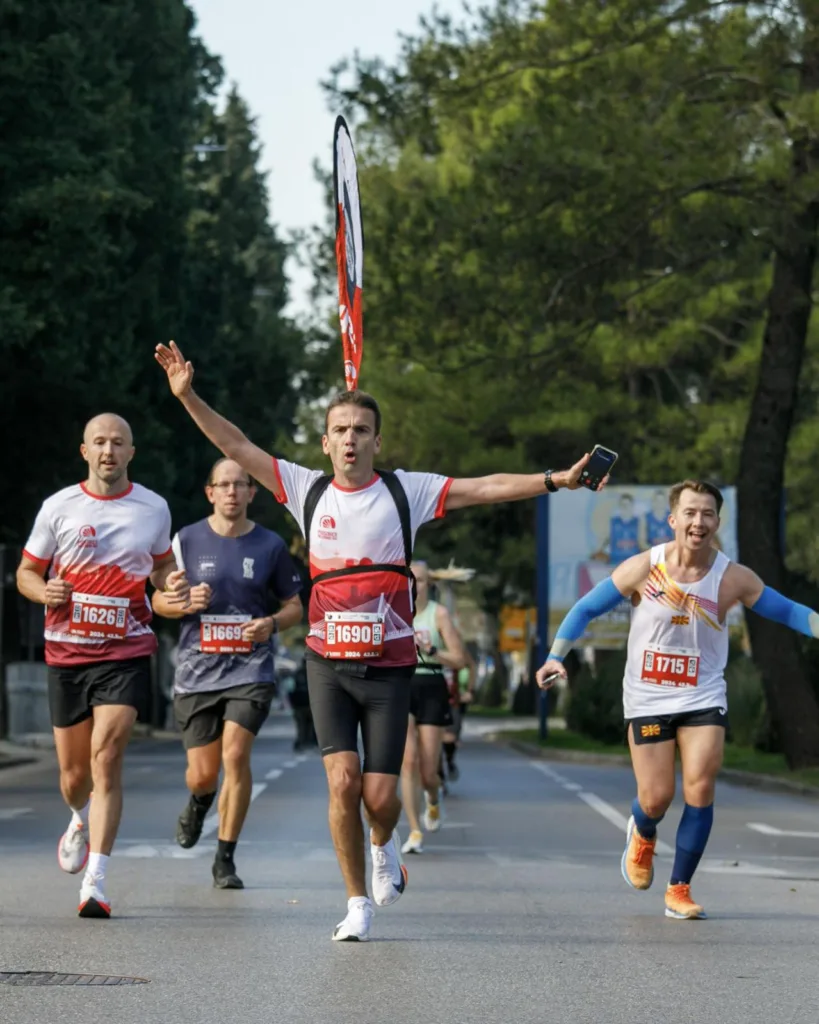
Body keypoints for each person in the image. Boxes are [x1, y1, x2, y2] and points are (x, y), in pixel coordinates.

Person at [155, 339, 603, 941]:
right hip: (328, 665)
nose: (350, 439)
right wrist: (188, 397)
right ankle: (356, 902)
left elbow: (485, 486)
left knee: (381, 795)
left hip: (392, 669)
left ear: (376, 441)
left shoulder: (405, 493)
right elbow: (236, 446)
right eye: (339, 429)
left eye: (361, 430)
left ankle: (384, 843)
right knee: (342, 782)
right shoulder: (304, 490)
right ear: (325, 442)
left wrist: (556, 480)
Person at [536, 478, 819, 920]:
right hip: (647, 698)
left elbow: (787, 610)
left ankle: (679, 889)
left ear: (717, 522)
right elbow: (585, 608)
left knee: (700, 786)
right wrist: (555, 656)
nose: (698, 522)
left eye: (707, 514)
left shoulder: (732, 578)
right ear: (673, 520)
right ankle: (643, 830)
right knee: (656, 798)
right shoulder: (644, 568)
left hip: (703, 694)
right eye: (690, 513)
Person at [16, 413, 189, 919]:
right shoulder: (59, 507)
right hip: (66, 652)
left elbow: (160, 566)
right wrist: (41, 589)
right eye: (100, 442)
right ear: (84, 451)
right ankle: (77, 816)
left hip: (126, 649)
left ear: (131, 452)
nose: (109, 450)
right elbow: (27, 570)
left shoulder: (153, 507)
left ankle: (96, 879)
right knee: (74, 777)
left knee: (107, 755)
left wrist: (171, 581)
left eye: (118, 442)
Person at [151, 457, 303, 889]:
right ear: (210, 492)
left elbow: (296, 606)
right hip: (197, 673)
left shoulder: (271, 546)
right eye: (225, 485)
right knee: (203, 774)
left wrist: (271, 624)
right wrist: (182, 602)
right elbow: (157, 601)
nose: (233, 492)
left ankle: (225, 859)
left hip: (250, 668)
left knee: (235, 755)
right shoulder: (186, 540)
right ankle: (199, 803)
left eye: (241, 485)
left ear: (253, 493)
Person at [400, 561, 466, 855]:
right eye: (411, 579)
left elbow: (460, 659)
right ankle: (414, 830)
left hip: (432, 685)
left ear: (430, 584)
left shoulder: (437, 614)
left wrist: (430, 650)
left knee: (428, 770)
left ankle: (433, 798)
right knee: (408, 760)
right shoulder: (392, 612)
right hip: (401, 685)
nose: (416, 585)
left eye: (422, 580)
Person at [442, 647, 477, 784]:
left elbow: (471, 666)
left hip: (455, 699)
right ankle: (437, 775)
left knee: (450, 737)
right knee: (434, 738)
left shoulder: (458, 648)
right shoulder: (426, 644)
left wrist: (470, 691)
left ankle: (449, 761)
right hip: (432, 697)